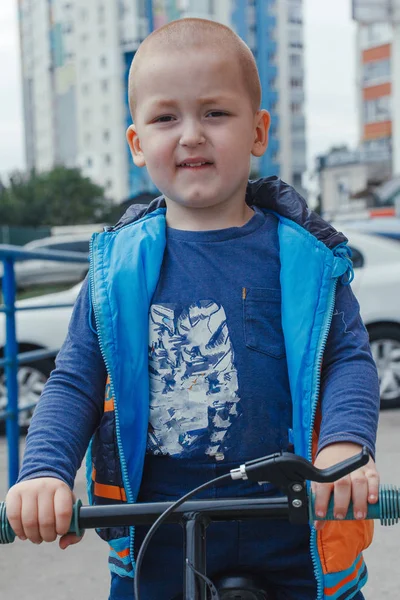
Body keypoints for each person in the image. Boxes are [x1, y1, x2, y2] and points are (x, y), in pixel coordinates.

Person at [6, 18, 380, 600]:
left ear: (258, 131)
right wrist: (44, 472)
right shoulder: (115, 271)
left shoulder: (305, 258)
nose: (190, 135)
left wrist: (346, 449)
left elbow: (348, 360)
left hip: (295, 521)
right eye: (165, 118)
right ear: (136, 144)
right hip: (157, 531)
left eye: (214, 113)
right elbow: (76, 379)